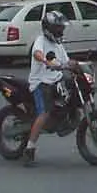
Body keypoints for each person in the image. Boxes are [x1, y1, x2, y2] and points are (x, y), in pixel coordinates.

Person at [23, 9, 73, 165]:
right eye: (58, 28)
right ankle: (29, 148)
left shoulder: (58, 44)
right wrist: (45, 61)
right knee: (44, 112)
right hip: (40, 82)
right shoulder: (41, 40)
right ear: (49, 28)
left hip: (55, 80)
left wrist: (80, 65)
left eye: (61, 28)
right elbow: (37, 53)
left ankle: (61, 120)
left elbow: (67, 62)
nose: (61, 30)